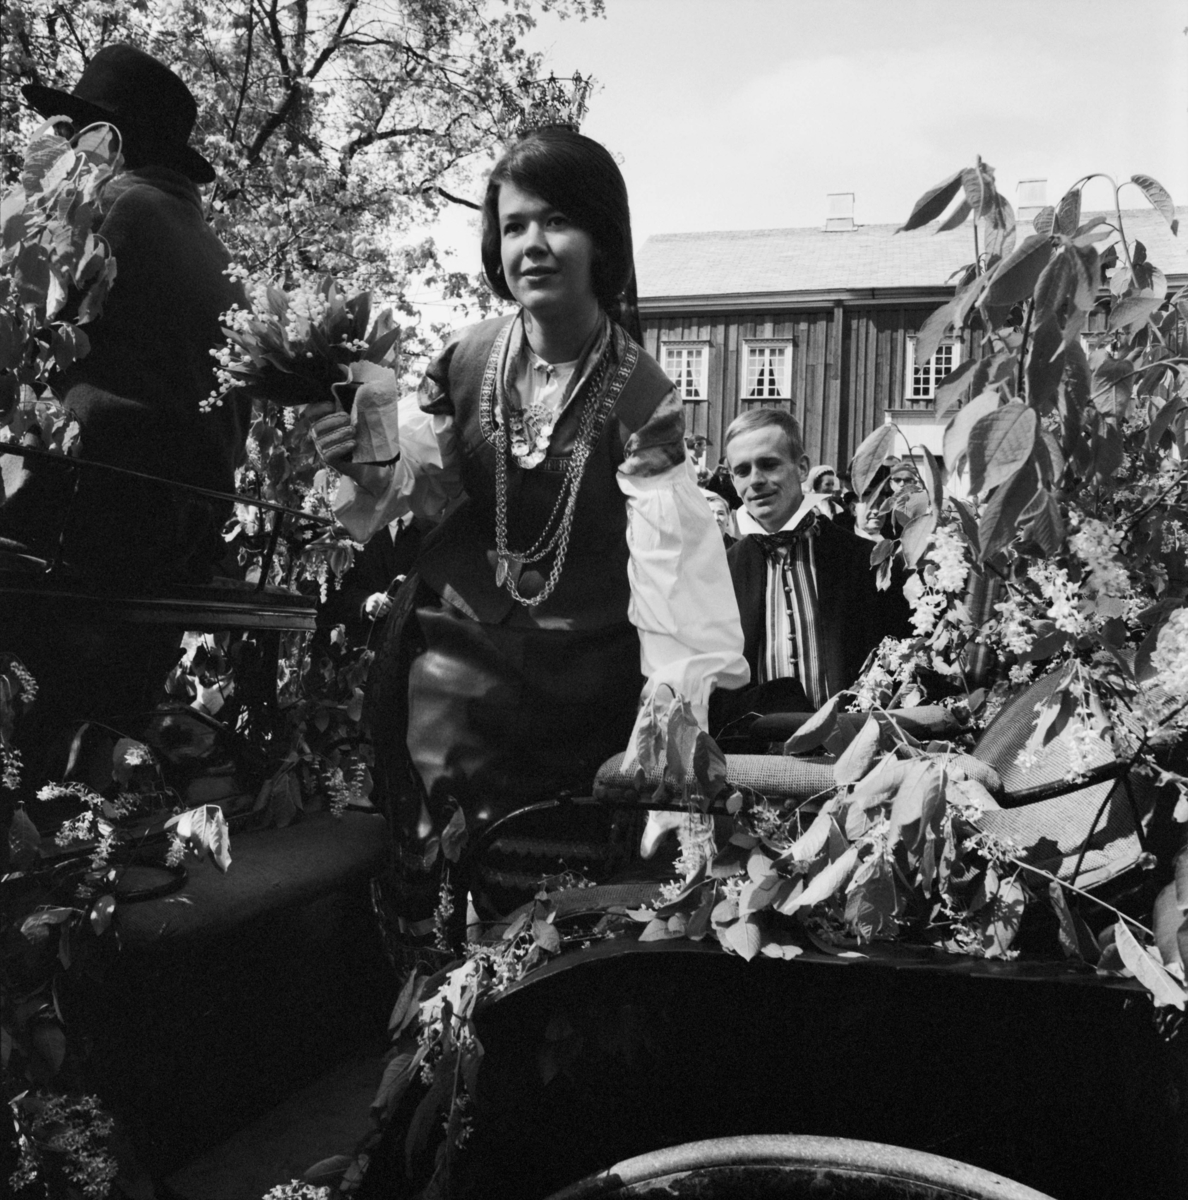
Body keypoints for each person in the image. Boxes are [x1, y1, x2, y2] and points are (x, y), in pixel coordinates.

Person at [307, 126, 748, 910]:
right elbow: (409, 483)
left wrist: (670, 712)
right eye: (514, 226)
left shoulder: (643, 394)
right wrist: (357, 451)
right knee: (441, 887)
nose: (533, 245)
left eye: (557, 221)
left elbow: (674, 574)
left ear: (602, 240)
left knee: (555, 898)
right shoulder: (465, 359)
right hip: (459, 670)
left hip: (585, 686)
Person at [1, 43, 248, 582]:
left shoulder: (103, 206)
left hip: (78, 524)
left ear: (102, 139)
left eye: (73, 132)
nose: (64, 146)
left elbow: (18, 337)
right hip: (187, 541)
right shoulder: (224, 260)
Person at [711, 408, 910, 729]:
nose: (756, 480)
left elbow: (901, 659)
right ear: (733, 481)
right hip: (756, 752)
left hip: (856, 742)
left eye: (769, 464)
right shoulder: (721, 573)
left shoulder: (866, 560)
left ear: (802, 467)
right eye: (742, 470)